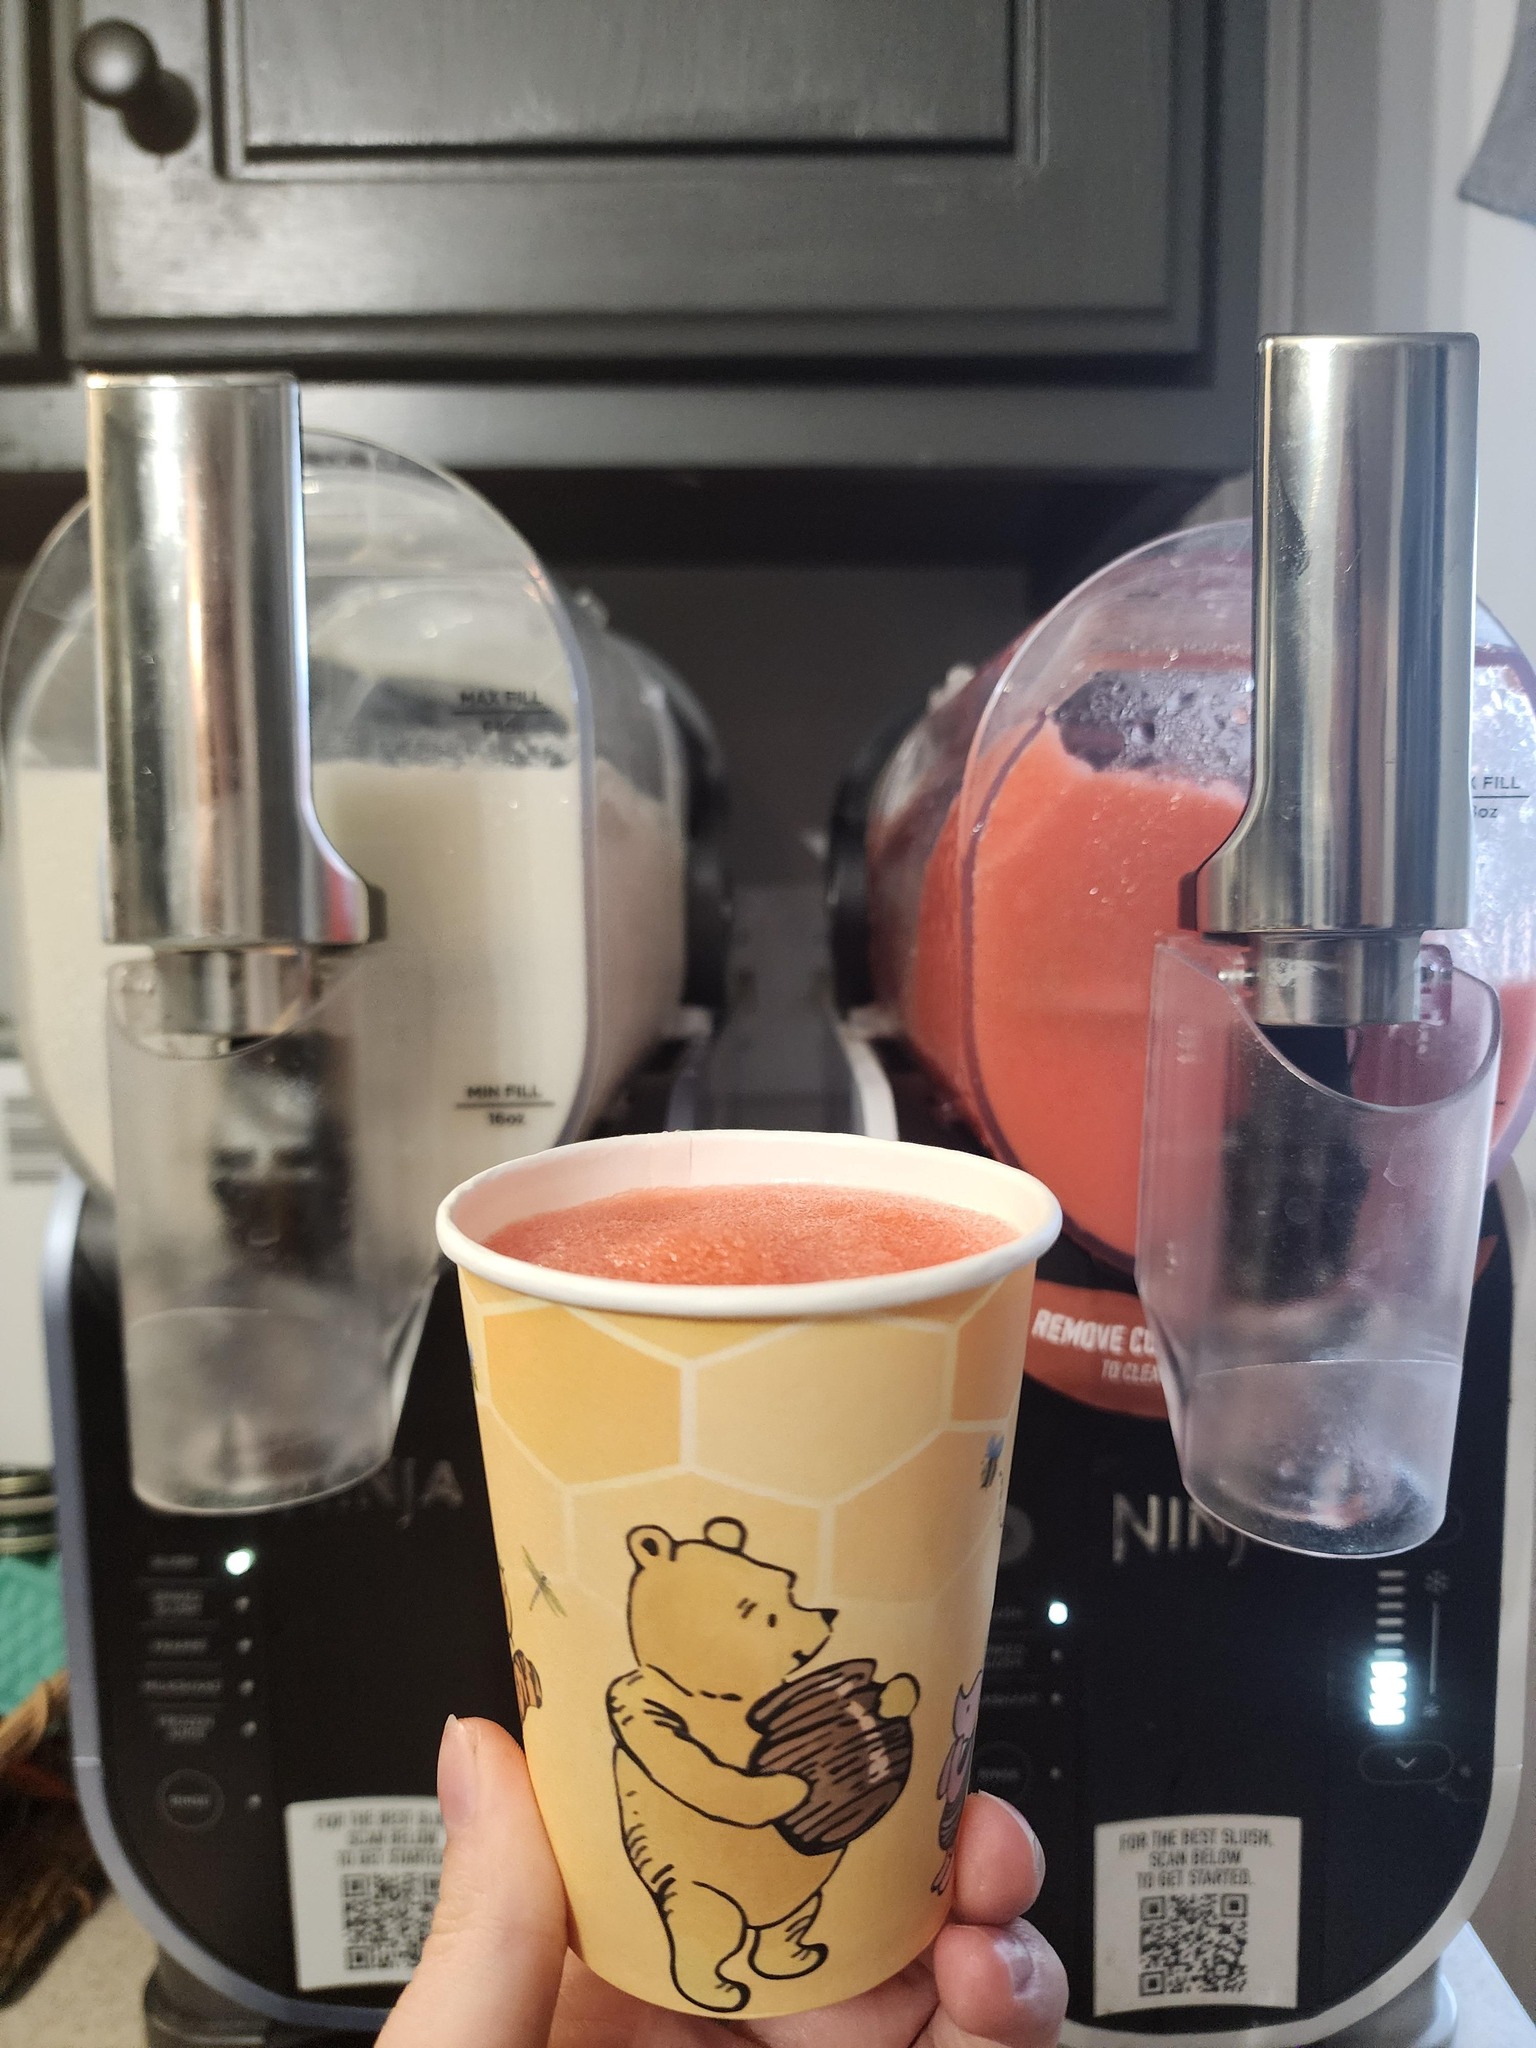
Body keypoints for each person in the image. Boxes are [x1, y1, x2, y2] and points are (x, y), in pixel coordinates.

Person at [379, 1715, 1069, 2048]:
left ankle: (784, 1938)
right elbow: (705, 1781)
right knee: (706, 1913)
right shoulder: (643, 1697)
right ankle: (714, 1952)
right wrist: (761, 1797)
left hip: (817, 1878)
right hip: (689, 1881)